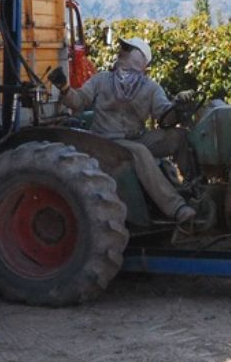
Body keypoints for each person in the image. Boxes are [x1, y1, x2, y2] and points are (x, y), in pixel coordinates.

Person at [48, 37, 201, 224]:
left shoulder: (150, 88)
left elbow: (165, 118)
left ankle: (195, 190)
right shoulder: (102, 80)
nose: (121, 51)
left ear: (138, 57)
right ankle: (176, 208)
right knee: (140, 152)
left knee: (179, 137)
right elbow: (78, 101)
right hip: (105, 142)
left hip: (136, 137)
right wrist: (64, 88)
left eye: (126, 48)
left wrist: (178, 106)